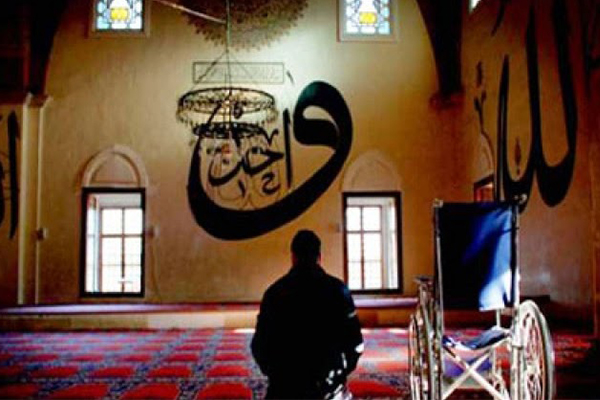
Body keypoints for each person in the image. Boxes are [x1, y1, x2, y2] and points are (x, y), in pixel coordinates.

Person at [251, 230, 364, 399]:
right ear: (319, 257)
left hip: (285, 389)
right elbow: (355, 344)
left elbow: (260, 346)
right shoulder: (338, 291)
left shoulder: (274, 293)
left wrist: (278, 375)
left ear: (293, 257)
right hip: (328, 389)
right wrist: (339, 374)